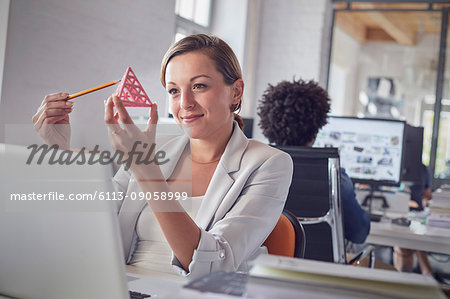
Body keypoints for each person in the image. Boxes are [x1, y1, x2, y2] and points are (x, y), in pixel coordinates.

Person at [32, 34, 293, 279]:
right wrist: (60, 150)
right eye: (173, 91)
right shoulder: (153, 148)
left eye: (199, 86)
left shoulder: (269, 164)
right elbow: (92, 226)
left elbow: (214, 265)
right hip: (123, 286)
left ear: (235, 92)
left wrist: (148, 173)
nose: (185, 103)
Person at [257, 78, 370, 244]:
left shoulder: (255, 166)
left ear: (267, 126)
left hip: (264, 265)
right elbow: (359, 234)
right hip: (319, 268)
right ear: (316, 131)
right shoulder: (335, 175)